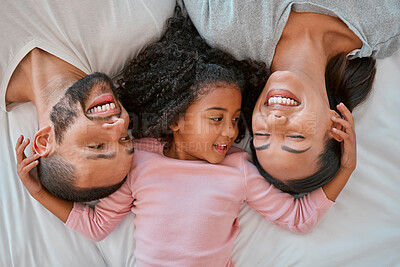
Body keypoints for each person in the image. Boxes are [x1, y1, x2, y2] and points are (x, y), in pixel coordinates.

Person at [17, 9, 356, 266]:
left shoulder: (239, 170)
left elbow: (300, 218)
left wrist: (344, 169)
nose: (232, 132)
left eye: (237, 120)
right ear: (175, 121)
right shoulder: (138, 160)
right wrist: (36, 191)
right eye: (217, 119)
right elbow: (95, 225)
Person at [183, 0, 400, 194]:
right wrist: (346, 169)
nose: (275, 121)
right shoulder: (387, 26)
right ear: (336, 126)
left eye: (262, 135)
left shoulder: (225, 27)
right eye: (295, 137)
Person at [2, 0, 176, 201]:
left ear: (44, 141)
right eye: (124, 139)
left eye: (97, 146)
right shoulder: (140, 25)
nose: (120, 124)